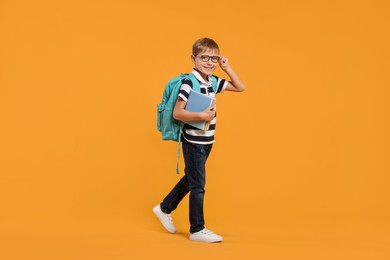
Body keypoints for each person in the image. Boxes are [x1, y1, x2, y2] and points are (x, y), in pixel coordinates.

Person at [153, 37, 245, 243]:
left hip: (207, 140)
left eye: (214, 58)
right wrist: (201, 116)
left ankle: (164, 208)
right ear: (193, 58)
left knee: (192, 178)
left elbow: (240, 87)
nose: (210, 62)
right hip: (193, 141)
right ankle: (197, 229)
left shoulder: (212, 81)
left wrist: (227, 67)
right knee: (198, 186)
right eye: (204, 57)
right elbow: (178, 113)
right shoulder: (189, 82)